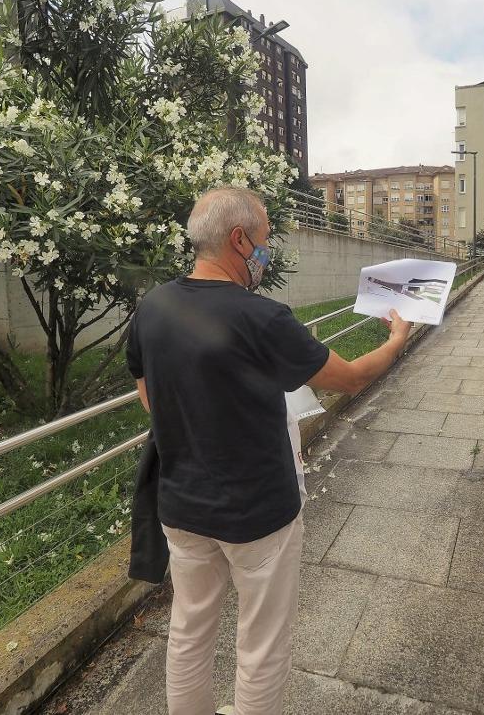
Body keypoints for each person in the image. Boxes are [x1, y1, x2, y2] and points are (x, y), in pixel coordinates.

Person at [126, 187, 412, 715]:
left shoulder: (152, 306)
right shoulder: (261, 317)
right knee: (261, 644)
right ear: (239, 240)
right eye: (263, 241)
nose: (266, 251)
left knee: (189, 628)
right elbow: (347, 379)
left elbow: (151, 398)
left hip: (181, 504)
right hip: (258, 511)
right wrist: (397, 340)